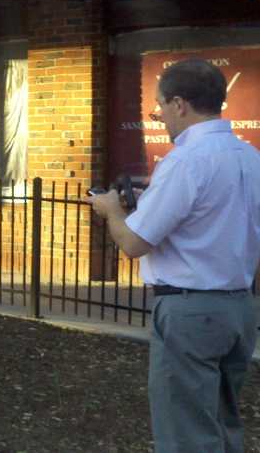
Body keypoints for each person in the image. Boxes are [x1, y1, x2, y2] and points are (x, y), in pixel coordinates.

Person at [87, 59, 260, 453]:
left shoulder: (185, 161)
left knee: (185, 433)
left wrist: (112, 210)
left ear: (180, 104)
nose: (160, 115)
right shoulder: (251, 158)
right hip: (239, 306)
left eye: (160, 106)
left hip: (188, 310)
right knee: (222, 422)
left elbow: (134, 244)